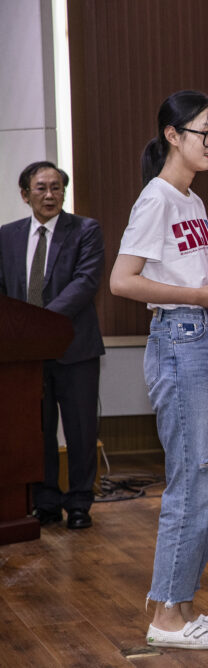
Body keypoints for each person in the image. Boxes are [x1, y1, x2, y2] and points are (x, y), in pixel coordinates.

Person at [109, 90, 208, 650]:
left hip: (206, 333)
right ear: (172, 135)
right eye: (206, 133)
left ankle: (183, 606)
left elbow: (191, 277)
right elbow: (123, 281)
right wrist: (196, 294)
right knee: (192, 479)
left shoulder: (193, 200)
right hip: (180, 336)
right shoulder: (157, 198)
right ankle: (164, 618)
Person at [0, 161, 104, 530]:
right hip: (25, 356)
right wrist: (20, 331)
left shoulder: (85, 230)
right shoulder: (7, 236)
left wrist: (38, 323)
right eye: (41, 188)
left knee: (80, 431)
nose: (50, 195)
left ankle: (79, 503)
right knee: (36, 430)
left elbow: (85, 282)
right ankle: (45, 501)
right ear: (25, 194)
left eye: (56, 187)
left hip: (75, 349)